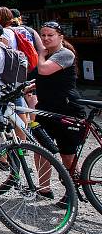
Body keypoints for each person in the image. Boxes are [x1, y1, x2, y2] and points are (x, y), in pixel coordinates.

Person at [34, 22, 84, 183]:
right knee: (41, 149)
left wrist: (40, 54)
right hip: (45, 107)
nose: (46, 38)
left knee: (67, 154)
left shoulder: (65, 54)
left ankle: (73, 191)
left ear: (60, 37)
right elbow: (50, 77)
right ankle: (44, 187)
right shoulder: (49, 55)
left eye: (50, 35)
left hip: (66, 108)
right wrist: (33, 86)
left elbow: (44, 70)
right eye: (43, 35)